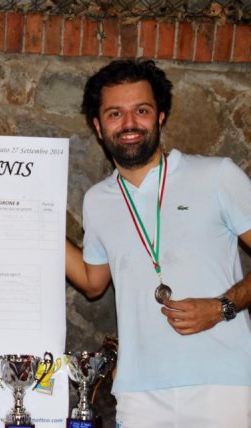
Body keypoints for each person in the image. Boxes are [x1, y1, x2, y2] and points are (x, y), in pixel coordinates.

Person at [66, 59, 251, 427]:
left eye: (142, 110)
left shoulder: (216, 175)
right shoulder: (97, 200)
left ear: (160, 116)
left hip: (222, 385)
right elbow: (92, 283)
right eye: (115, 113)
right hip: (138, 393)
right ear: (98, 127)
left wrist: (223, 307)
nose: (129, 123)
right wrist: (37, 222)